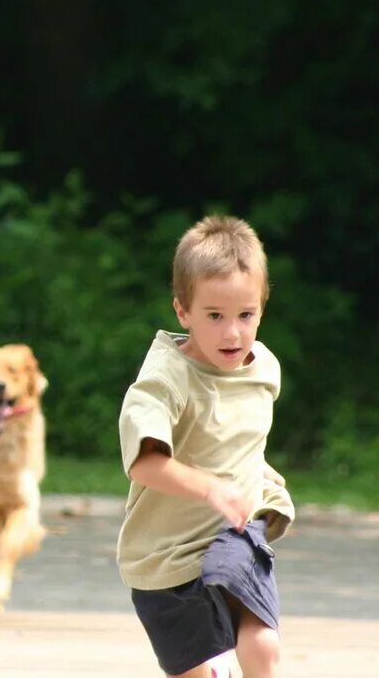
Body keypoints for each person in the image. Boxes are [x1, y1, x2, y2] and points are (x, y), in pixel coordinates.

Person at [117, 215, 296, 678]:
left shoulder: (263, 368)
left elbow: (237, 433)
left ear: (262, 308)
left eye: (246, 315)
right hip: (167, 554)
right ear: (183, 312)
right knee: (195, 672)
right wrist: (209, 487)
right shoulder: (163, 380)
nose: (232, 333)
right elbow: (145, 464)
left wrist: (259, 472)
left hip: (234, 531)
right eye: (214, 316)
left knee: (263, 645)